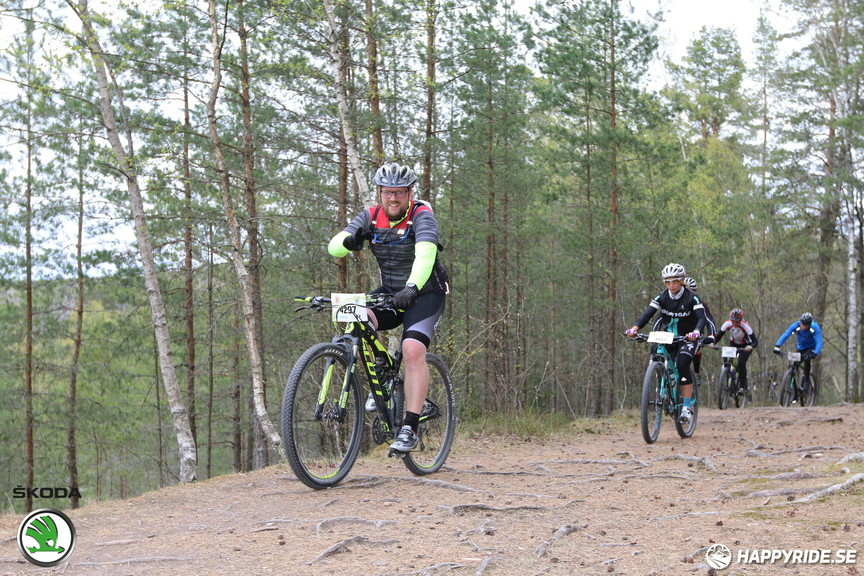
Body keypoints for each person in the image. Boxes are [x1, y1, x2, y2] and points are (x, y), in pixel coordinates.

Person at [328, 162, 450, 453]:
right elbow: (334, 246)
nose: (393, 198)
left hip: (426, 292)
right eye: (387, 192)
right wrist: (349, 240)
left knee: (412, 349)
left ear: (409, 193)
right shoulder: (370, 216)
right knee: (357, 319)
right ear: (379, 193)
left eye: (399, 192)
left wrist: (413, 287)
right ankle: (381, 380)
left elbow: (425, 253)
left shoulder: (421, 215)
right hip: (391, 293)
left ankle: (409, 427)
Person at [625, 263, 707, 424]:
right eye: (667, 282)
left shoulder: (692, 297)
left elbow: (702, 318)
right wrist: (635, 328)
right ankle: (660, 381)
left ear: (682, 280)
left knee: (683, 364)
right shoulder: (662, 297)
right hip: (669, 337)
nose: (671, 285)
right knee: (655, 349)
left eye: (675, 281)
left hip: (686, 338)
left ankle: (686, 406)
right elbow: (647, 314)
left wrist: (696, 332)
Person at [706, 308, 758, 393]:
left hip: (745, 345)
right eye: (733, 321)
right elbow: (718, 336)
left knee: (741, 363)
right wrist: (712, 343)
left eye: (737, 321)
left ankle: (742, 387)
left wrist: (751, 347)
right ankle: (728, 376)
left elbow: (755, 342)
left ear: (741, 320)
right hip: (733, 343)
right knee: (726, 360)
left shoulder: (745, 326)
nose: (734, 323)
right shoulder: (727, 324)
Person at [773, 312, 822, 391]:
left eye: (806, 325)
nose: (803, 327)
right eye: (802, 324)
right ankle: (794, 391)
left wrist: (815, 353)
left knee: (807, 360)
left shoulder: (814, 327)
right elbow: (786, 334)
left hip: (811, 348)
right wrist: (777, 346)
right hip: (800, 348)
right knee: (793, 366)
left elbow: (819, 341)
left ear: (809, 325)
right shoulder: (796, 326)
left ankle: (806, 380)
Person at [683, 277, 716, 387]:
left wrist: (711, 335)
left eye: (691, 290)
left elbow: (709, 320)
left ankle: (696, 373)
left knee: (696, 350)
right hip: (679, 333)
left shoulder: (700, 303)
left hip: (696, 332)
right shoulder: (674, 301)